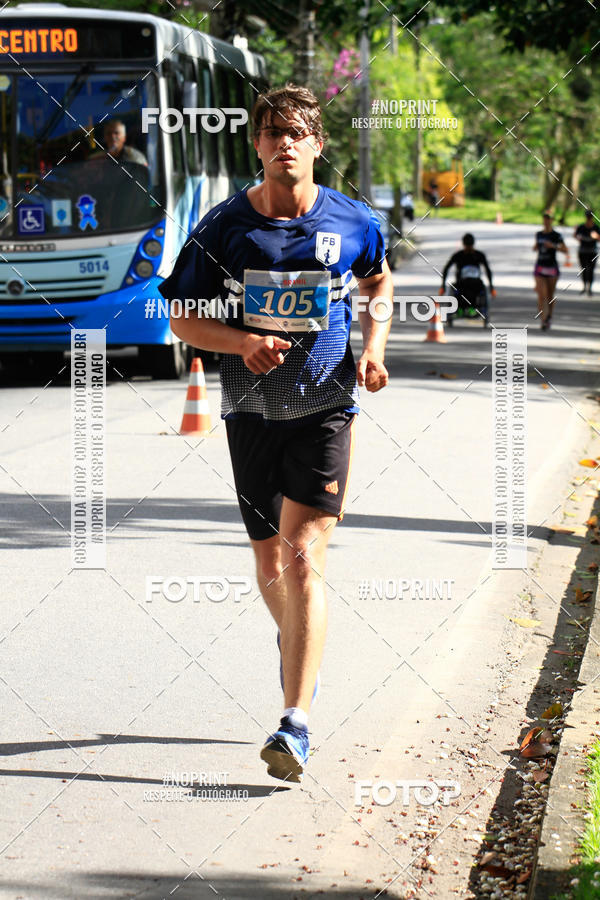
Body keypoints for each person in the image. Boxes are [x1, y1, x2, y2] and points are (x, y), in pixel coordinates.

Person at [158, 84, 393, 783]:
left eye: (295, 131)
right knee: (268, 567)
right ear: (256, 145)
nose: (283, 142)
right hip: (250, 412)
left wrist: (375, 348)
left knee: (299, 559)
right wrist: (240, 342)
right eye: (270, 132)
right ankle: (301, 650)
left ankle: (294, 723)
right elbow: (182, 319)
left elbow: (379, 284)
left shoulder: (354, 221)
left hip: (326, 408)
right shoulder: (225, 225)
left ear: (318, 143)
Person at [440, 232, 495, 323]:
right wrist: (443, 286)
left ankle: (470, 308)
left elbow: (488, 270)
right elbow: (446, 269)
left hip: (473, 283)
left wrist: (491, 287)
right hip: (463, 283)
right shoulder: (462, 255)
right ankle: (461, 309)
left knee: (475, 288)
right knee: (457, 289)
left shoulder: (476, 255)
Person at [533, 210, 570, 330]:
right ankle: (543, 320)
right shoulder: (539, 234)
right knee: (541, 295)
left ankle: (549, 316)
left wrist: (553, 246)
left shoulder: (557, 235)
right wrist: (536, 247)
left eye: (548, 218)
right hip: (540, 266)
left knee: (550, 295)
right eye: (544, 218)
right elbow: (536, 246)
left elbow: (565, 250)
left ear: (552, 220)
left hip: (552, 268)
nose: (546, 221)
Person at [574, 209, 600, 296]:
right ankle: (584, 287)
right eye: (588, 217)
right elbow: (575, 236)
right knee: (584, 269)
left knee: (591, 270)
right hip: (583, 251)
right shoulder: (581, 227)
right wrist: (576, 233)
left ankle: (590, 288)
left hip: (592, 251)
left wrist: (596, 236)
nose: (589, 219)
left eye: (590, 217)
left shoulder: (596, 228)